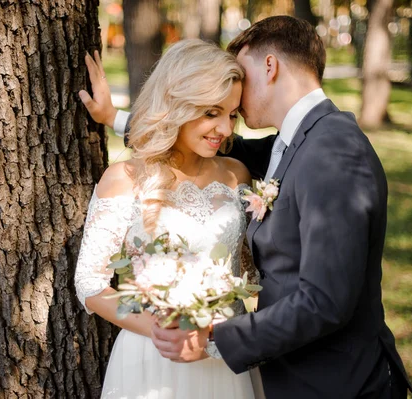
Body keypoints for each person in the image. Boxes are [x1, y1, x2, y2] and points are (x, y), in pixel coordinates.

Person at [82, 16, 412, 399]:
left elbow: (325, 302)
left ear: (269, 66)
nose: (228, 123)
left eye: (241, 77)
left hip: (334, 381)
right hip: (263, 366)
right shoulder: (294, 142)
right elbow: (189, 138)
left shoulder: (333, 152)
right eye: (215, 110)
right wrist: (113, 117)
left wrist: (213, 339)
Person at [74, 39, 264, 399]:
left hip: (224, 354)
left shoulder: (237, 175)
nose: (225, 129)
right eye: (211, 112)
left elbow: (250, 269)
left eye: (232, 114)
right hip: (153, 355)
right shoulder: (124, 179)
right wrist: (163, 331)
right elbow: (89, 282)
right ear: (176, 105)